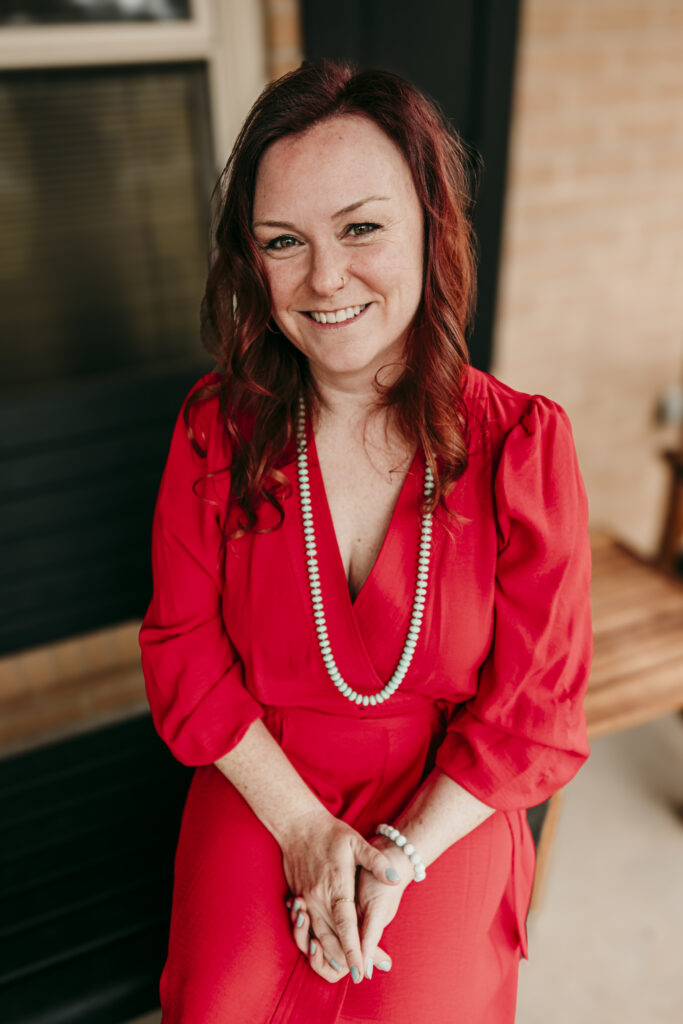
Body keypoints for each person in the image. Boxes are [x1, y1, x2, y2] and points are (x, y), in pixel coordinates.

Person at [139, 60, 592, 1024]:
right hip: (261, 771)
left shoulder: (519, 445)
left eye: (361, 227)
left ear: (431, 223)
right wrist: (303, 827)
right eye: (283, 242)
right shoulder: (213, 435)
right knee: (223, 1005)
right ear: (250, 261)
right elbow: (183, 653)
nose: (325, 278)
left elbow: (534, 709)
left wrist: (399, 856)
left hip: (447, 794)